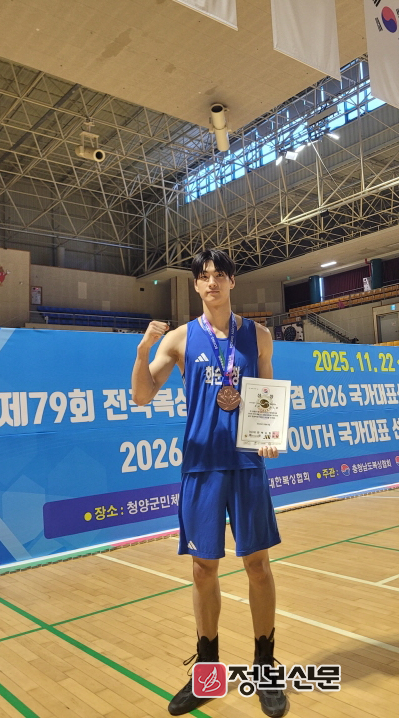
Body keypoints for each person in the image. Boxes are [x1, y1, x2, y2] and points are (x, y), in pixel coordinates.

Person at [131, 249, 287, 718]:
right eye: (204, 276)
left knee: (257, 566)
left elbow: (266, 393)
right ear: (196, 285)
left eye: (220, 275)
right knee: (203, 570)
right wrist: (142, 352)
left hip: (246, 466)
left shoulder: (258, 335)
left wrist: (270, 434)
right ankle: (207, 673)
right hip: (201, 467)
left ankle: (265, 667)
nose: (212, 282)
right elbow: (141, 395)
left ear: (232, 281)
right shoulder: (180, 339)